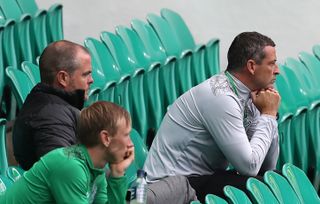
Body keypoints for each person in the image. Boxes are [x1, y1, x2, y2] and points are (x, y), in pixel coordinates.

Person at [144, 31, 281, 203]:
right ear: (252, 66)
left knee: (275, 181)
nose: (277, 71)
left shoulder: (249, 95)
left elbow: (267, 167)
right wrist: (268, 115)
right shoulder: (221, 98)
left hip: (201, 179)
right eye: (272, 64)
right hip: (174, 185)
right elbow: (249, 167)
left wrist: (268, 114)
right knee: (262, 189)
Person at [0, 101, 134, 203]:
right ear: (106, 138)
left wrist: (117, 173)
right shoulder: (70, 167)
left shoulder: (96, 171)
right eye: (126, 135)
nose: (130, 144)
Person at [12, 40, 94, 170]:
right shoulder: (51, 117)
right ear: (63, 78)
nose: (91, 80)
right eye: (85, 74)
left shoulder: (53, 105)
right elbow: (62, 172)